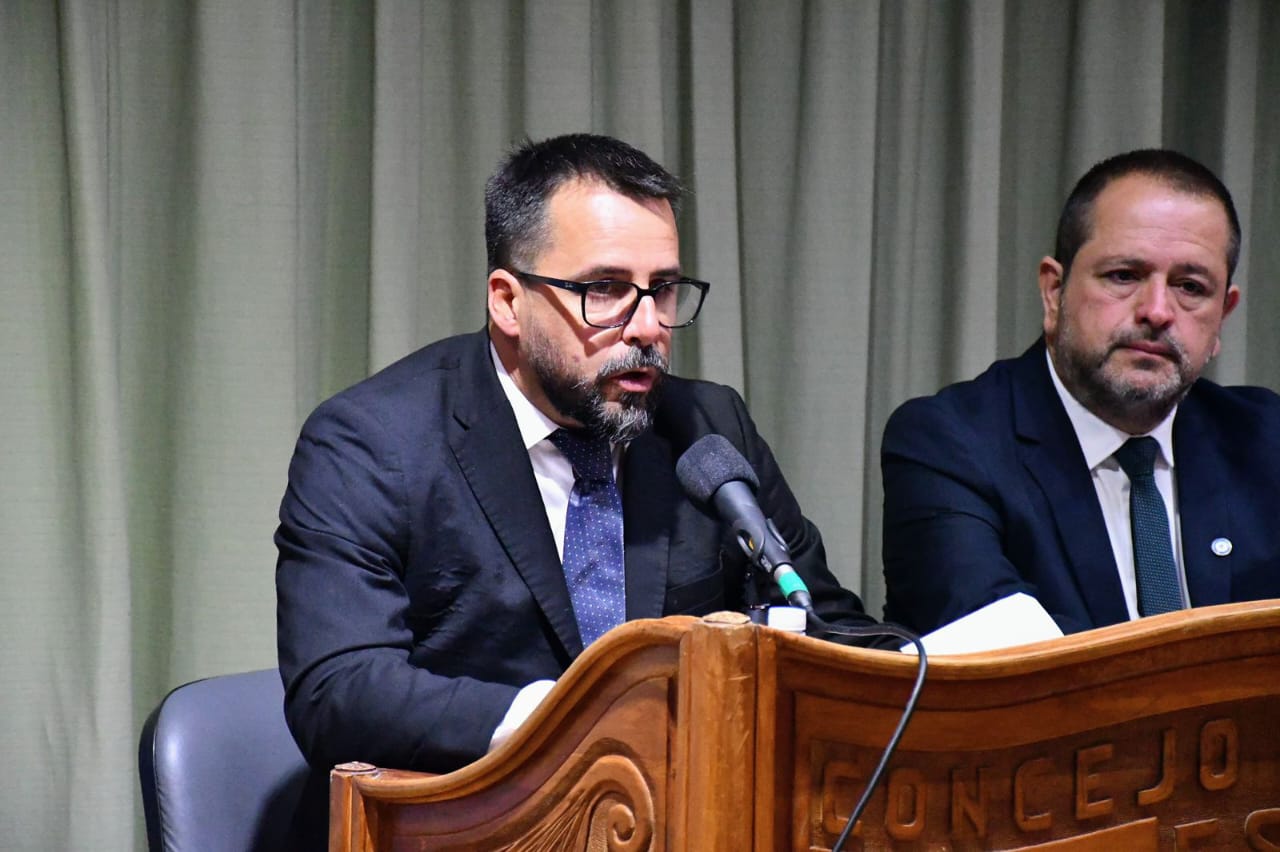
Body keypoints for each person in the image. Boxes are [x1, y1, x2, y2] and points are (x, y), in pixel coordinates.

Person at [275, 133, 883, 843]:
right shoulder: (374, 442)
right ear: (508, 301)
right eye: (606, 290)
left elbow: (828, 624)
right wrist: (577, 720)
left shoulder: (708, 427)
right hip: (465, 827)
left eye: (662, 289)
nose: (649, 327)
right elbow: (340, 692)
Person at [881, 148, 1280, 637]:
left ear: (1223, 315)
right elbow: (1000, 658)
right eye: (1124, 276)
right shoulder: (950, 444)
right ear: (1054, 292)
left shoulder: (1265, 441)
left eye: (1191, 287)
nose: (1157, 311)